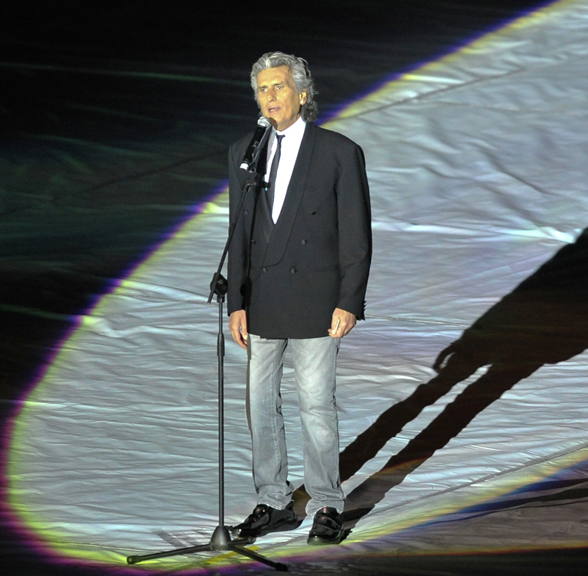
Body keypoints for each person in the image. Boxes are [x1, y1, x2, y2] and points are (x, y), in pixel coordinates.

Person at [225, 51, 371, 545]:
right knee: (260, 405)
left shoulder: (338, 151)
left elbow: (356, 234)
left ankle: (327, 502)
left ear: (302, 94)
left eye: (279, 86)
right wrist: (237, 301)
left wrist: (349, 299)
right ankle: (273, 501)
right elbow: (239, 232)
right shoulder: (245, 151)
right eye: (262, 89)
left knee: (315, 405)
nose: (269, 97)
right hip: (262, 300)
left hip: (317, 300)